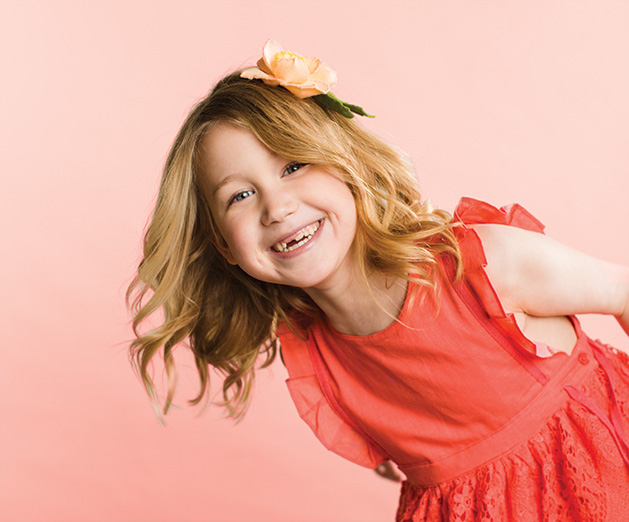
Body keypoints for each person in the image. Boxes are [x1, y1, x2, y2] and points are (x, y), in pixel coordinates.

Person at [127, 40, 629, 521]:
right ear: (222, 246)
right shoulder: (319, 360)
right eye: (239, 196)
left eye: (294, 165)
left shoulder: (483, 267)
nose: (276, 207)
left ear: (348, 168)